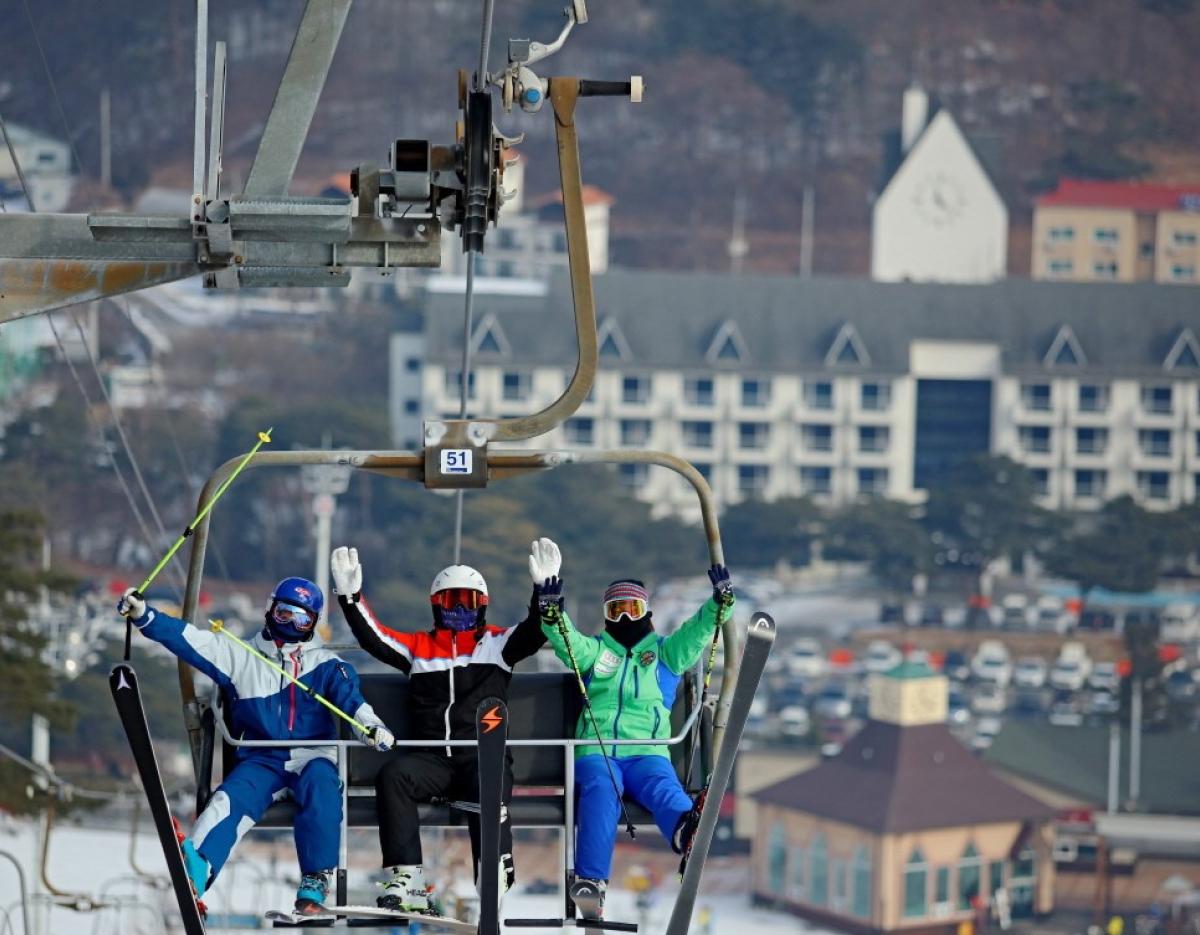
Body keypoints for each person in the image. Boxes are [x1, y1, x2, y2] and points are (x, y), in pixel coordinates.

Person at [117, 578, 394, 915]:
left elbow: (353, 704)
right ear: (269, 609)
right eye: (284, 613)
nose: (291, 624)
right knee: (226, 801)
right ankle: (198, 867)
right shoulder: (239, 654)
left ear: (313, 624)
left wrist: (372, 728)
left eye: (302, 619)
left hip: (313, 755)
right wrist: (145, 615)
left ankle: (314, 884)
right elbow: (189, 640)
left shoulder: (327, 665)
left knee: (322, 789)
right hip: (263, 758)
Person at [330, 538, 559, 912]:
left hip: (481, 755)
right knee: (395, 775)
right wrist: (350, 598)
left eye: (467, 601)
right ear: (436, 605)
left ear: (481, 605)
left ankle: (492, 871)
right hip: (433, 760)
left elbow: (535, 631)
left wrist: (545, 594)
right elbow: (375, 639)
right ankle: (407, 878)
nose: (458, 610)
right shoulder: (418, 648)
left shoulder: (496, 644)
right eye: (450, 601)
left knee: (489, 780)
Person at [538, 564, 735, 919]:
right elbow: (567, 642)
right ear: (606, 615)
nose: (626, 617)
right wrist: (552, 612)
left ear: (647, 612)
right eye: (617, 610)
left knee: (661, 784)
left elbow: (696, 633)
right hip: (597, 750)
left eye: (634, 608)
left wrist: (718, 605)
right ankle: (591, 882)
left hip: (648, 751)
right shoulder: (595, 652)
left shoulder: (665, 654)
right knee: (602, 786)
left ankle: (685, 830)